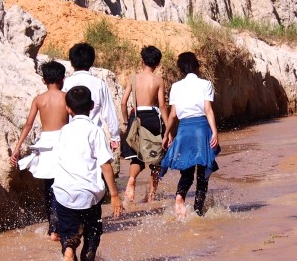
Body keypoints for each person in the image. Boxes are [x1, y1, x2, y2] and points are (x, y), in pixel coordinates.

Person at [52, 85, 124, 261]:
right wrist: (115, 195)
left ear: (68, 109)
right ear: (92, 106)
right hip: (89, 195)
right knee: (92, 235)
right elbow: (105, 165)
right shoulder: (95, 131)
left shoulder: (64, 131)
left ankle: (68, 250)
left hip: (64, 194)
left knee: (69, 233)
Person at [10, 61, 68, 240]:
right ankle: (62, 225)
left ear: (44, 80)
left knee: (49, 188)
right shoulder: (66, 97)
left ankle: (52, 228)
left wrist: (17, 148)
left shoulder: (39, 99)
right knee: (64, 186)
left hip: (45, 145)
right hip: (63, 143)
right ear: (63, 78)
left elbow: (28, 125)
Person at [161, 52, 219, 217]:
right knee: (202, 174)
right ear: (197, 66)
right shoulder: (205, 84)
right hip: (201, 130)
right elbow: (208, 110)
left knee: (186, 171)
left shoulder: (176, 87)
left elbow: (173, 114)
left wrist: (166, 134)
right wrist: (214, 131)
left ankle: (180, 196)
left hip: (184, 130)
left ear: (181, 69)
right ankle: (199, 212)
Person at [120, 45, 169, 204]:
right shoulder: (158, 80)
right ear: (157, 63)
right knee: (156, 157)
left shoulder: (133, 79)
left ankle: (132, 179)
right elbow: (162, 106)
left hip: (137, 116)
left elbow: (123, 102)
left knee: (136, 156)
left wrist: (127, 120)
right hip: (153, 118)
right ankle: (152, 194)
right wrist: (168, 129)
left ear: (142, 61)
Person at [63, 42, 121, 155]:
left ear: (72, 62)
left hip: (70, 135)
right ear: (91, 61)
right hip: (93, 136)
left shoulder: (66, 84)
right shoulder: (99, 84)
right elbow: (108, 111)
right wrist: (115, 137)